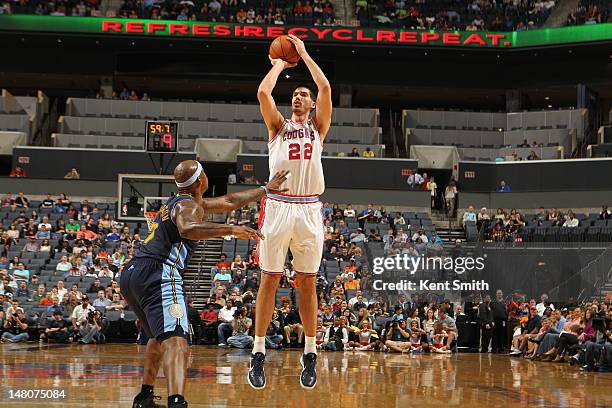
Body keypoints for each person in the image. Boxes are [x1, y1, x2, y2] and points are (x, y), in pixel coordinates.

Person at [120, 159, 287, 408]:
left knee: (157, 337)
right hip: (159, 272)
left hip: (133, 272)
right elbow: (188, 229)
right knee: (177, 340)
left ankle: (144, 396)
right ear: (200, 181)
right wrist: (231, 229)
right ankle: (177, 401)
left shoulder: (185, 202)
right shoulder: (187, 206)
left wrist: (265, 189)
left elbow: (230, 202)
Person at [249, 34, 332, 390]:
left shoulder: (317, 127)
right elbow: (263, 95)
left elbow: (325, 86)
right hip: (279, 207)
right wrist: (279, 64)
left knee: (307, 282)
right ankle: (258, 351)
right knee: (269, 279)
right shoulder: (278, 127)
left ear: (311, 105)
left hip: (309, 208)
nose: (298, 96)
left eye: (303, 95)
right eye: (295, 94)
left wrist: (303, 53)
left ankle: (310, 353)